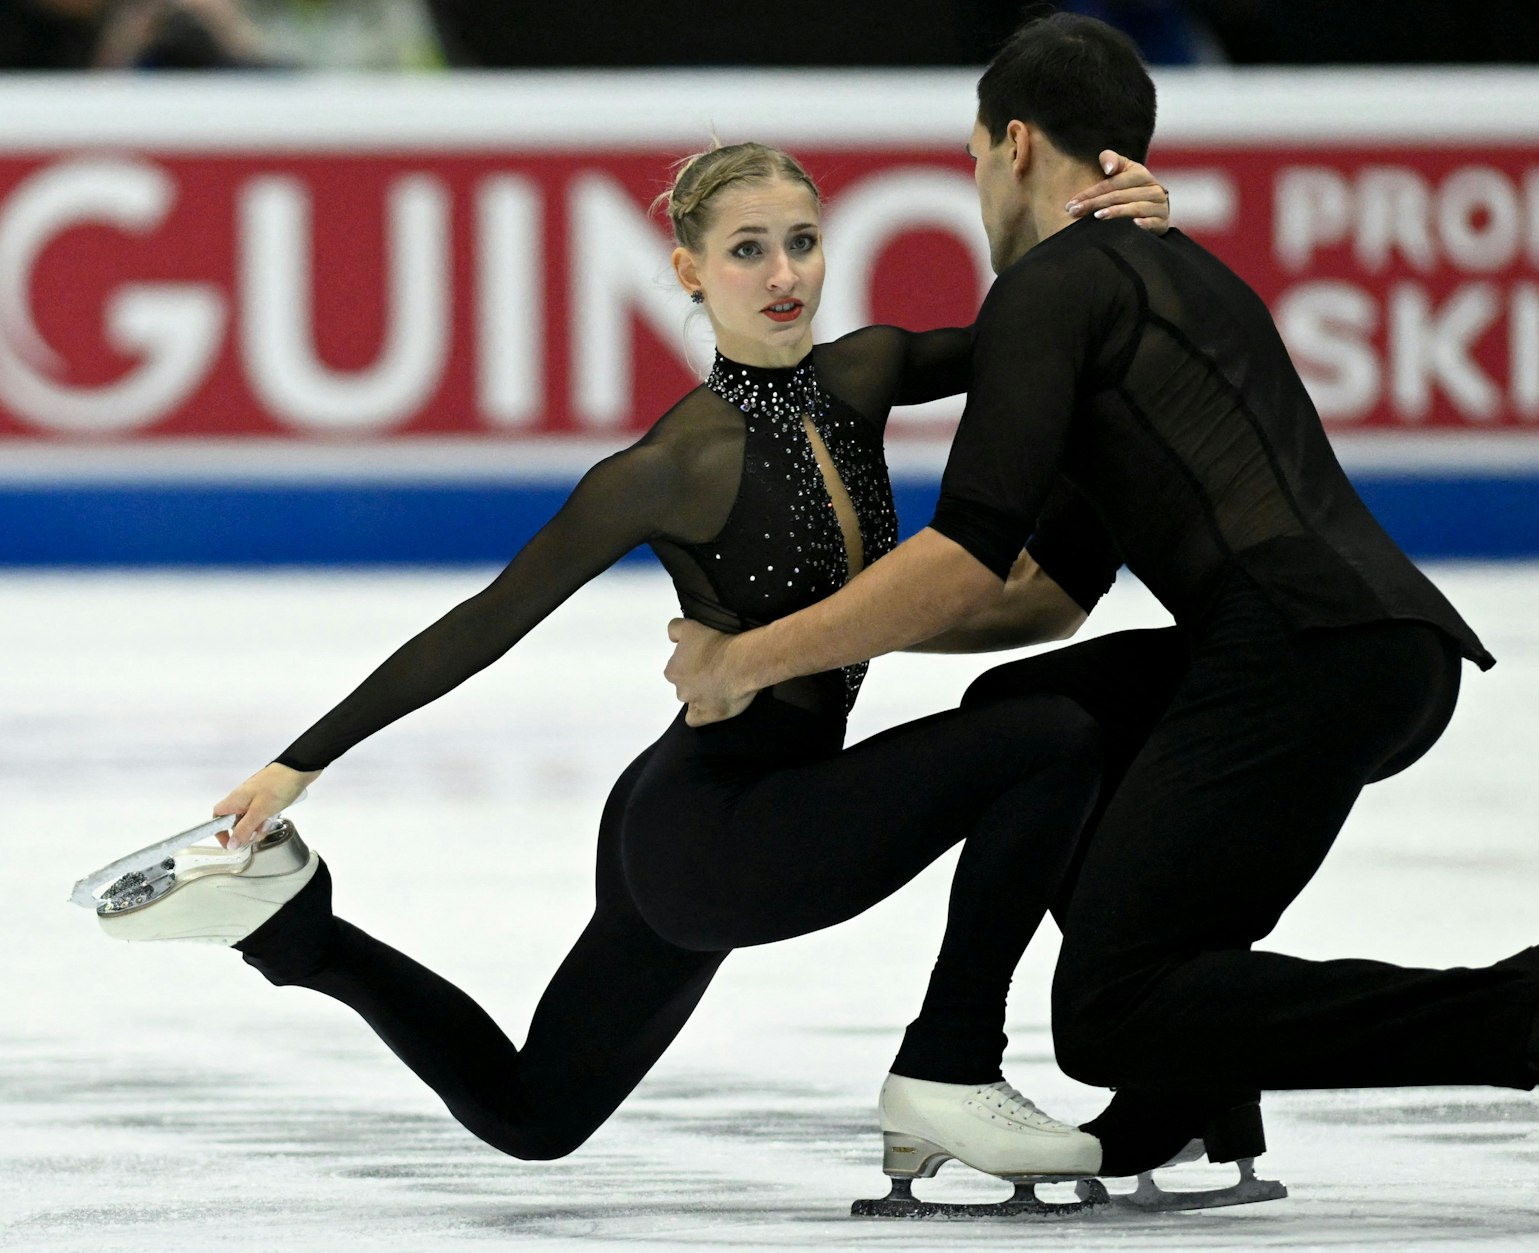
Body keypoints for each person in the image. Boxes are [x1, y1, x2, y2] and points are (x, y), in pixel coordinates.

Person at [664, 13, 1539, 1187]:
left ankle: (1526, 1009)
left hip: (1301, 648)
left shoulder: (1051, 289)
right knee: (1036, 716)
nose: (975, 188)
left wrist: (752, 657)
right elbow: (1045, 593)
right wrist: (824, 636)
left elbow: (963, 559)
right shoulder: (1160, 269)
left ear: (1015, 144)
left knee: (1109, 1008)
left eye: (974, 157)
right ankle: (1190, 1083)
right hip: (1363, 646)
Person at [87, 139, 1183, 1201]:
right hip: (715, 828)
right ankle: (952, 1061)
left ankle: (290, 926)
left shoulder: (869, 369)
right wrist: (299, 761)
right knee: (1047, 738)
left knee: (533, 1114)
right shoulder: (670, 464)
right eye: (747, 250)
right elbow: (489, 619)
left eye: (801, 242)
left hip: (724, 808)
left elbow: (1051, 332)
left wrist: (1132, 232)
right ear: (690, 272)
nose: (783, 274)